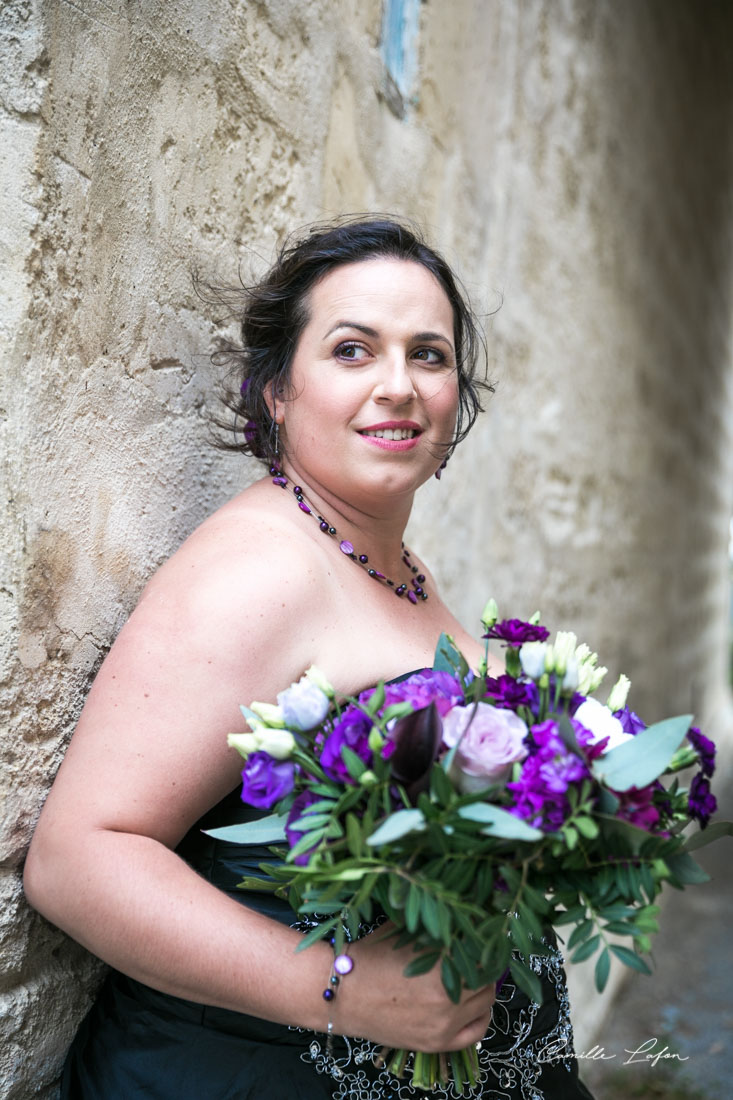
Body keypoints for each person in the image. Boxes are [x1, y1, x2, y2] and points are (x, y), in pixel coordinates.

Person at [24, 217, 594, 1099]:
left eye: (429, 355)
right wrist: (347, 991)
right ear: (278, 391)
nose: (398, 386)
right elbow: (78, 860)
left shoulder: (386, 562)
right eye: (353, 350)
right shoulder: (260, 570)